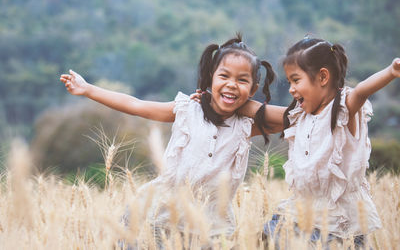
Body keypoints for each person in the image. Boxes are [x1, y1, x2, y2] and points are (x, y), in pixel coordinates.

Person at [60, 34, 283, 248]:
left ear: (254, 89)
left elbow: (292, 118)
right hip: (162, 219)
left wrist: (250, 106)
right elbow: (136, 105)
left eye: (242, 80)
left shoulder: (245, 126)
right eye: (224, 76)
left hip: (212, 228)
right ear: (210, 78)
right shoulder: (187, 110)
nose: (232, 84)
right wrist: (88, 89)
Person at [230, 37, 400, 248]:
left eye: (296, 80)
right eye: (289, 82)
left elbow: (362, 90)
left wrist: (392, 71)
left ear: (322, 77)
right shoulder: (299, 115)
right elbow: (258, 111)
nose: (291, 88)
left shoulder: (342, 110)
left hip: (338, 221)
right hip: (302, 211)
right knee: (264, 238)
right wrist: (222, 98)